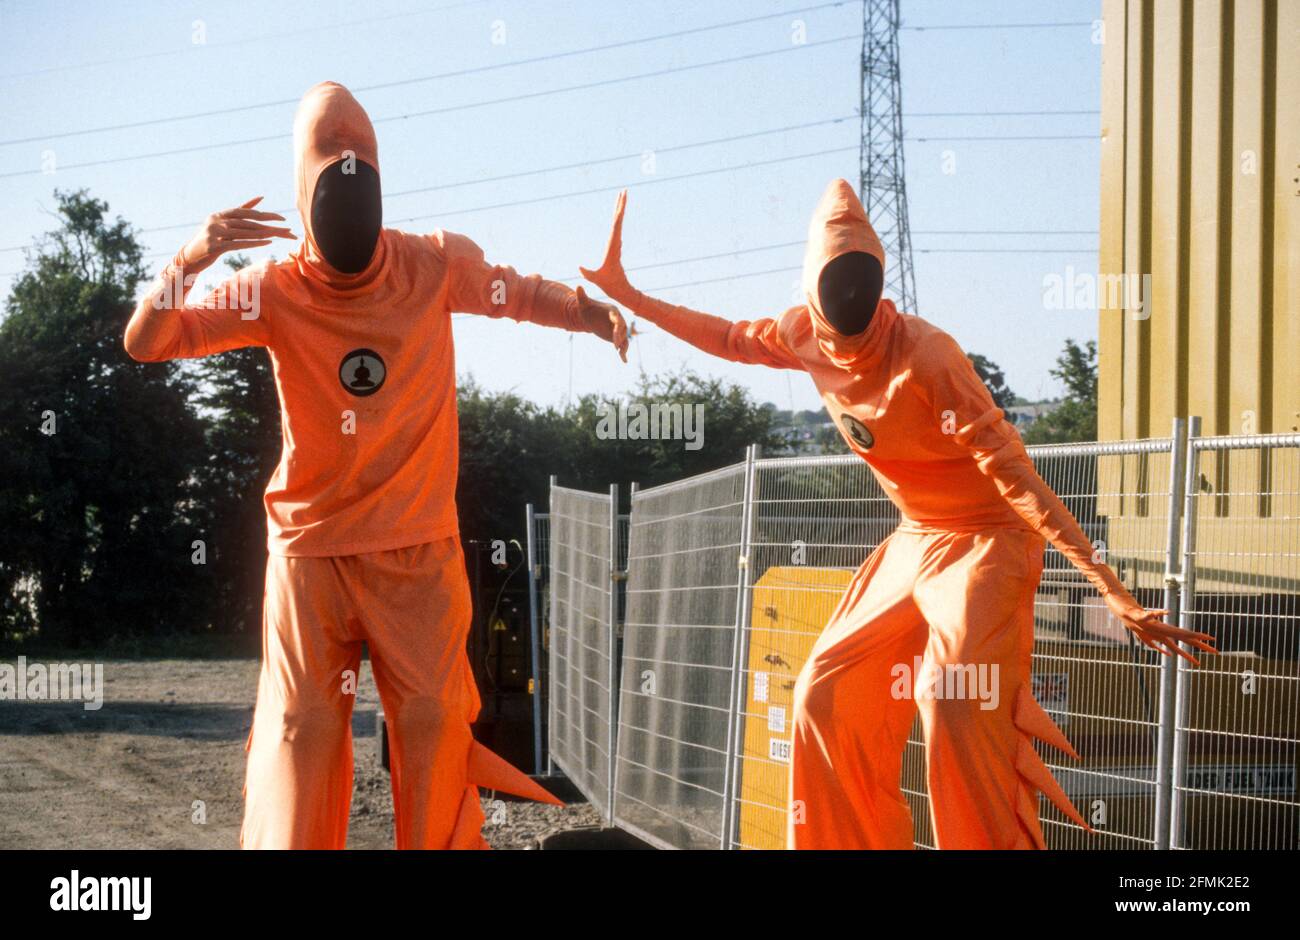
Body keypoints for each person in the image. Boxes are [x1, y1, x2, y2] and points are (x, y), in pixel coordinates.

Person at [579, 180, 1215, 849]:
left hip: (986, 543)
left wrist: (1107, 585)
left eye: (866, 280)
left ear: (882, 280)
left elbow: (1019, 482)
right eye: (836, 284)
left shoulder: (928, 358)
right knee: (822, 696)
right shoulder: (802, 332)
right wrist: (629, 295)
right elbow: (729, 337)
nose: (852, 296)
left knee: (956, 706)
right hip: (914, 539)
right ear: (810, 289)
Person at [124, 81, 629, 849]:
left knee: (432, 727)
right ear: (305, 200)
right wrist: (191, 256)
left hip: (416, 551)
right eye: (331, 190)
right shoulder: (271, 290)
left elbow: (515, 293)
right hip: (310, 555)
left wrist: (585, 310)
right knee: (301, 737)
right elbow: (147, 341)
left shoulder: (431, 263)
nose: (350, 213)